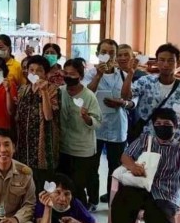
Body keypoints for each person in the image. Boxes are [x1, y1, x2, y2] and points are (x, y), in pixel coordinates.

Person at [121, 43, 180, 143]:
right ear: (156, 62)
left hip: (173, 143)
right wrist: (130, 73)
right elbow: (125, 96)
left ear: (177, 63)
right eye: (162, 60)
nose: (166, 64)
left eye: (171, 60)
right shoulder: (145, 82)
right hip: (145, 140)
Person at [86, 39, 129, 205]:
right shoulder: (90, 73)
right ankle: (93, 199)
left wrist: (122, 103)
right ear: (97, 54)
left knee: (115, 167)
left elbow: (131, 99)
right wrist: (98, 75)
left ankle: (112, 200)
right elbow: (87, 94)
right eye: (104, 52)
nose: (108, 56)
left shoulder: (124, 75)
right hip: (96, 128)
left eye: (112, 53)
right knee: (92, 166)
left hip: (117, 127)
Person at [57, 58, 102, 210]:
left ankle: (81, 214)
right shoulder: (60, 91)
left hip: (82, 149)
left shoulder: (88, 96)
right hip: (63, 146)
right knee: (64, 183)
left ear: (81, 76)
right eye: (66, 73)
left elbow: (97, 122)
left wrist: (87, 118)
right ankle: (65, 212)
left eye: (73, 74)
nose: (68, 76)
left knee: (78, 185)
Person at [14, 55, 60, 191]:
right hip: (24, 144)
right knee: (25, 183)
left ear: (46, 73)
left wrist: (44, 92)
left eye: (39, 70)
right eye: (31, 70)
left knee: (42, 185)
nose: (34, 73)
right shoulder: (23, 89)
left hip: (43, 145)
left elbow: (48, 116)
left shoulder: (53, 89)